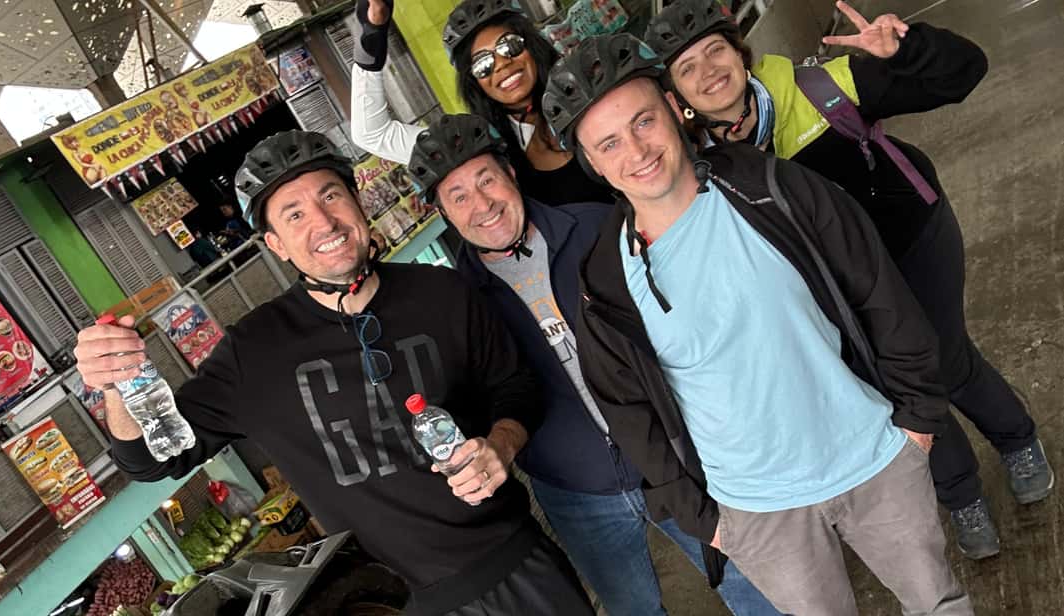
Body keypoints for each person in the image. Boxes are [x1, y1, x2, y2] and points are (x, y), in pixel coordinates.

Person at [73, 130, 594, 616]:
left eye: (331, 196)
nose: (323, 223)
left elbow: (516, 386)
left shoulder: (443, 292)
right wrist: (115, 385)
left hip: (520, 566)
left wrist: (501, 445)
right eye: (294, 214)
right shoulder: (254, 352)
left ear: (358, 202)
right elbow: (149, 460)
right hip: (396, 604)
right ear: (276, 244)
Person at [543, 33, 973, 614]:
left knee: (938, 604)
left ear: (673, 109)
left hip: (874, 460)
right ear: (593, 162)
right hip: (757, 512)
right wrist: (703, 519)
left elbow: (878, 290)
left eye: (643, 121)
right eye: (609, 143)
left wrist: (917, 419)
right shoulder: (605, 280)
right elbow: (628, 409)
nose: (637, 151)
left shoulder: (771, 187)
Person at [644, 0, 1053, 559]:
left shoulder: (820, 87)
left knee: (944, 361)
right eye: (687, 67)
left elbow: (964, 72)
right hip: (840, 287)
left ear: (740, 53)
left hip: (911, 239)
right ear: (675, 96)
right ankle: (961, 494)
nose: (708, 71)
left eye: (715, 50)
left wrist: (907, 50)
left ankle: (1017, 440)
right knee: (895, 390)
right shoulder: (697, 164)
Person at [406, 112, 779, 615]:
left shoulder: (597, 226)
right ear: (444, 214)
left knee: (753, 585)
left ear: (511, 174)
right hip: (575, 490)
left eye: (487, 180)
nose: (483, 204)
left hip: (673, 455)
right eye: (459, 196)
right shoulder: (459, 300)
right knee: (633, 610)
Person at [350, 0, 613, 206]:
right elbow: (371, 134)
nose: (501, 64)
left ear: (532, 48)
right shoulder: (475, 143)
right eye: (483, 64)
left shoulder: (589, 95)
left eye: (509, 46)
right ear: (474, 82)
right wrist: (372, 33)